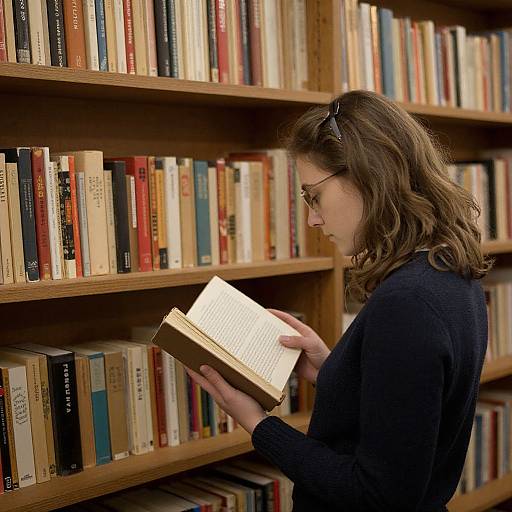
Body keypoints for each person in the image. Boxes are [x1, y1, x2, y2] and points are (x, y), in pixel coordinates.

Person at [185, 90, 491, 511]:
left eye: (314, 195)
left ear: (368, 176)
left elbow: (377, 495)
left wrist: (258, 424)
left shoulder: (408, 303)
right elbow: (411, 408)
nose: (312, 218)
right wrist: (333, 369)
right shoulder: (451, 272)